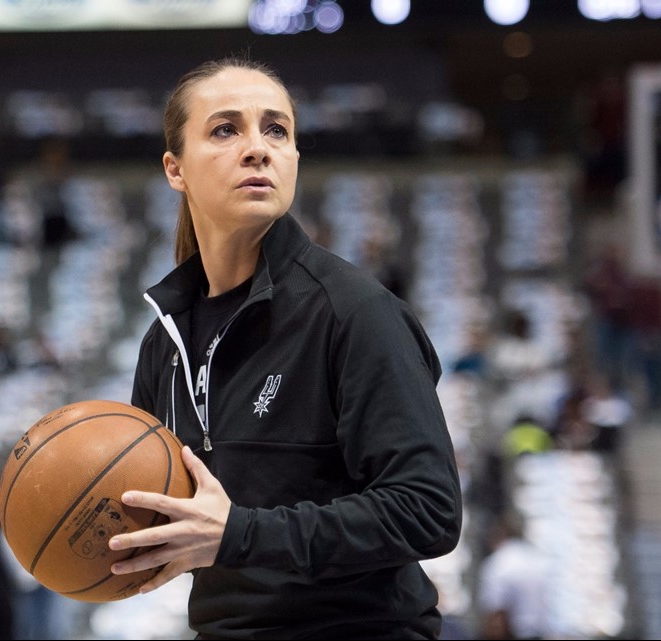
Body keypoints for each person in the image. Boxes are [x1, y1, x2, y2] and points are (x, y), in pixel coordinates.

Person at [110, 57, 462, 639]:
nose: (258, 148)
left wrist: (240, 534)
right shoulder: (165, 342)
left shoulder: (356, 313)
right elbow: (164, 513)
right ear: (175, 169)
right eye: (226, 129)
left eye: (276, 129)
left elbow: (428, 509)